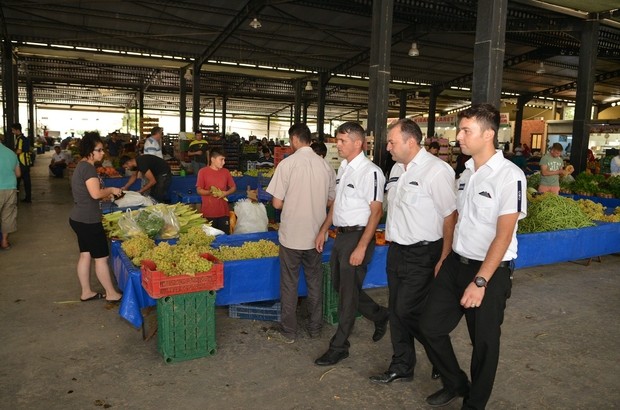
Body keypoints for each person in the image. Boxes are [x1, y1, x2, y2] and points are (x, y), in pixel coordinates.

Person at [420, 104, 527, 409]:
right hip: (456, 264)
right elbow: (457, 218)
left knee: (484, 345)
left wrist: (480, 281)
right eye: (460, 129)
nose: (458, 136)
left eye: (466, 130)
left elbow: (504, 235)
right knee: (429, 327)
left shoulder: (510, 176)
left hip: (488, 273)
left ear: (489, 134)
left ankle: (474, 404)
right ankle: (456, 383)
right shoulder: (465, 173)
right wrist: (445, 256)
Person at [369, 118, 456, 384]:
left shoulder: (437, 170)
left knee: (407, 310)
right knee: (396, 310)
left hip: (423, 253)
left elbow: (450, 216)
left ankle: (440, 357)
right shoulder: (396, 169)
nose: (388, 147)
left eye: (392, 142)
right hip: (396, 251)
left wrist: (444, 256)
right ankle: (402, 365)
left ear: (410, 141)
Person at [314, 121, 389, 366]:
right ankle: (379, 315)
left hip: (358, 237)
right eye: (337, 140)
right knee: (340, 285)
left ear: (359, 143)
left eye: (343, 141)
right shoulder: (344, 168)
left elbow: (376, 212)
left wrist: (361, 246)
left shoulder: (371, 172)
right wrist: (324, 229)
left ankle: (340, 346)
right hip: (342, 235)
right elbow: (335, 203)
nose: (338, 145)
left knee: (347, 295)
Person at [265, 124, 336, 343]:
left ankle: (289, 331)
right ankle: (315, 328)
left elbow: (276, 204)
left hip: (292, 237)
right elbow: (331, 201)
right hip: (316, 236)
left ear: (295, 139)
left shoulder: (287, 165)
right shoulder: (326, 167)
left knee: (289, 283)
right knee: (314, 281)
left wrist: (295, 199)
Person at [69, 132, 124, 303]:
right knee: (101, 258)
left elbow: (89, 194)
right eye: (99, 150)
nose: (102, 153)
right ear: (89, 151)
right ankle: (111, 293)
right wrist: (111, 190)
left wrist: (104, 195)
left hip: (78, 218)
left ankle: (86, 292)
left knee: (85, 255)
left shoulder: (81, 166)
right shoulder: (88, 168)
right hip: (89, 221)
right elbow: (95, 194)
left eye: (102, 149)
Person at [196, 149, 236, 234]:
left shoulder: (226, 172)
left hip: (224, 212)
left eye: (224, 160)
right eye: (221, 159)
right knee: (210, 239)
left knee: (224, 237)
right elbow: (199, 190)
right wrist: (209, 192)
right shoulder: (203, 172)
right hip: (208, 213)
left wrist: (226, 193)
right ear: (213, 159)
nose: (224, 162)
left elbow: (233, 187)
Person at [0, 139, 21, 250]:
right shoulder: (11, 153)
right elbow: (18, 174)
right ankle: (4, 242)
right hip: (10, 188)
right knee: (8, 216)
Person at [12, 123, 33, 203]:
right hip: (26, 162)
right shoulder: (26, 138)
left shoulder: (19, 139)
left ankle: (15, 199)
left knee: (17, 181)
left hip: (21, 162)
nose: (12, 132)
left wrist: (12, 154)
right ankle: (28, 198)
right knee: (27, 181)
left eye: (13, 130)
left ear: (17, 130)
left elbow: (19, 151)